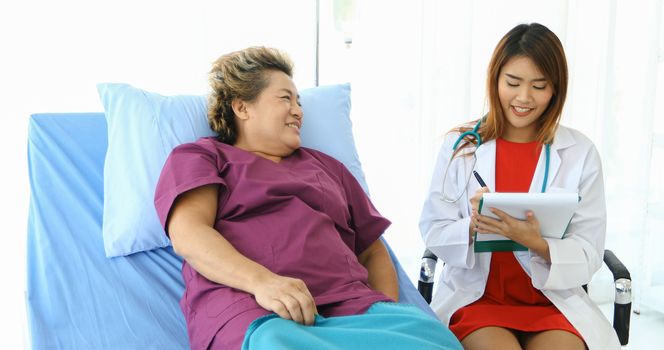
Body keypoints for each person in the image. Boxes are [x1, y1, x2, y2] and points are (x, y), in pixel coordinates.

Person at [154, 46, 462, 350]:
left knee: (434, 337)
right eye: (285, 98)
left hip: (353, 307)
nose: (298, 111)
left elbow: (372, 251)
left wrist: (383, 311)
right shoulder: (203, 156)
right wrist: (263, 283)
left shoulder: (328, 168)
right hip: (259, 310)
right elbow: (189, 234)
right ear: (242, 107)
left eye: (299, 101)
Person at [419, 23, 621, 350]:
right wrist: (471, 226)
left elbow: (589, 251)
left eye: (539, 86)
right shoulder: (461, 146)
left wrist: (539, 243)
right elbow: (434, 231)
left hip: (552, 302)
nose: (524, 98)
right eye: (513, 83)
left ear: (556, 89)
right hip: (479, 300)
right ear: (495, 79)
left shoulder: (580, 152)